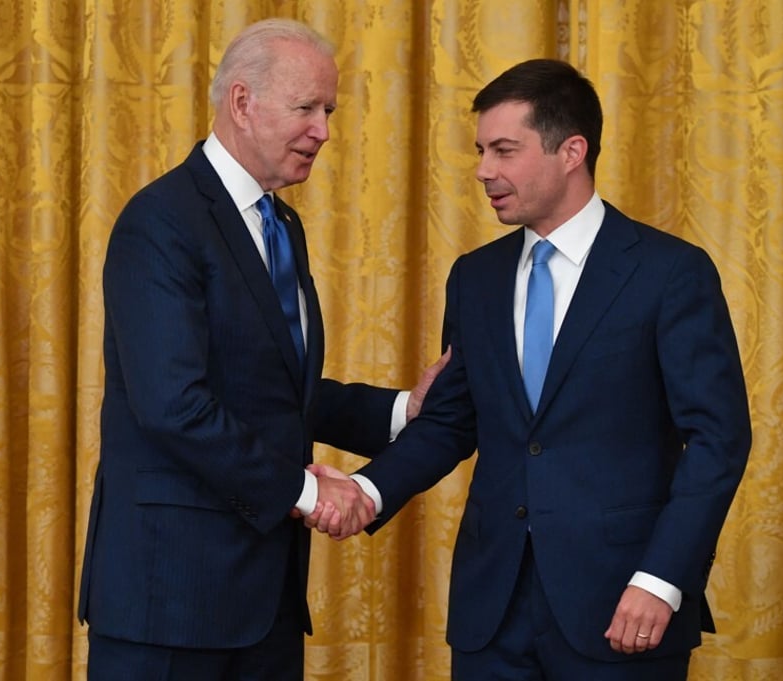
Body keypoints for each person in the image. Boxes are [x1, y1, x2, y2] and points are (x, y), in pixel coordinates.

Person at [309, 59, 751, 680]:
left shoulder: (670, 273)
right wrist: (365, 490)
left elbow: (719, 440)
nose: (484, 170)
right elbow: (451, 423)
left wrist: (662, 579)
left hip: (623, 605)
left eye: (504, 150)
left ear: (572, 151)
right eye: (481, 151)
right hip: (492, 616)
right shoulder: (475, 277)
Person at [77, 18, 446, 681]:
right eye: (307, 107)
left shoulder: (281, 224)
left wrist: (399, 411)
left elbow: (274, 387)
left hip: (264, 600)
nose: (325, 130)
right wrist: (305, 491)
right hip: (171, 605)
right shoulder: (161, 221)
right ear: (242, 102)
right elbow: (174, 404)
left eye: (328, 110)